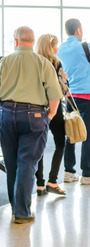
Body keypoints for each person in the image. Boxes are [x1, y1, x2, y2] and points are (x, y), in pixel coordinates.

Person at [0, 26, 62, 224]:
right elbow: (54, 93)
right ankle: (22, 212)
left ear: (15, 41)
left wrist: (3, 111)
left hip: (5, 112)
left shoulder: (4, 62)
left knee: (11, 164)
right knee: (27, 163)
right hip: (34, 114)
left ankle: (15, 208)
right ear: (33, 41)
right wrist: (51, 114)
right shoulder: (43, 62)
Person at [57, 18, 90, 185]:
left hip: (69, 97)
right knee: (87, 135)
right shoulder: (86, 46)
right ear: (78, 30)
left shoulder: (60, 49)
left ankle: (69, 172)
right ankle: (87, 175)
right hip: (87, 97)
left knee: (70, 132)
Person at [35, 34, 68, 196]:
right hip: (54, 108)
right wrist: (65, 80)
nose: (58, 49)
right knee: (60, 143)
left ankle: (39, 185)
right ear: (52, 47)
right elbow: (63, 89)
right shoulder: (56, 63)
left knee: (39, 146)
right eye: (56, 46)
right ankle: (52, 181)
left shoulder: (34, 62)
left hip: (37, 109)